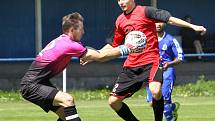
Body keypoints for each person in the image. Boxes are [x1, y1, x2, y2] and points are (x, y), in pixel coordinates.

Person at [93, 0, 206, 121]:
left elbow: (170, 19)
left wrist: (192, 26)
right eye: (118, 0)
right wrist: (94, 55)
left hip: (151, 61)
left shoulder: (146, 11)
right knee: (113, 102)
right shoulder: (120, 20)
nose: (120, 2)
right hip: (131, 66)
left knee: (155, 90)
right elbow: (113, 44)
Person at [20, 12, 141, 121]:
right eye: (81, 29)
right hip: (31, 85)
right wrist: (127, 48)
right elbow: (101, 56)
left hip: (39, 82)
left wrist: (91, 55)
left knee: (65, 115)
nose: (83, 32)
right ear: (72, 30)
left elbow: (91, 52)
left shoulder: (63, 40)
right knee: (68, 100)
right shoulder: (70, 44)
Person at [146, 22, 184, 121]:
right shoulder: (146, 39)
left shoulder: (171, 39)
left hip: (167, 71)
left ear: (164, 24)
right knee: (152, 102)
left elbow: (180, 57)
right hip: (152, 72)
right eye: (155, 22)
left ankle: (170, 117)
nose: (157, 24)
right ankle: (173, 107)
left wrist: (169, 64)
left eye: (160, 22)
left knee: (165, 100)